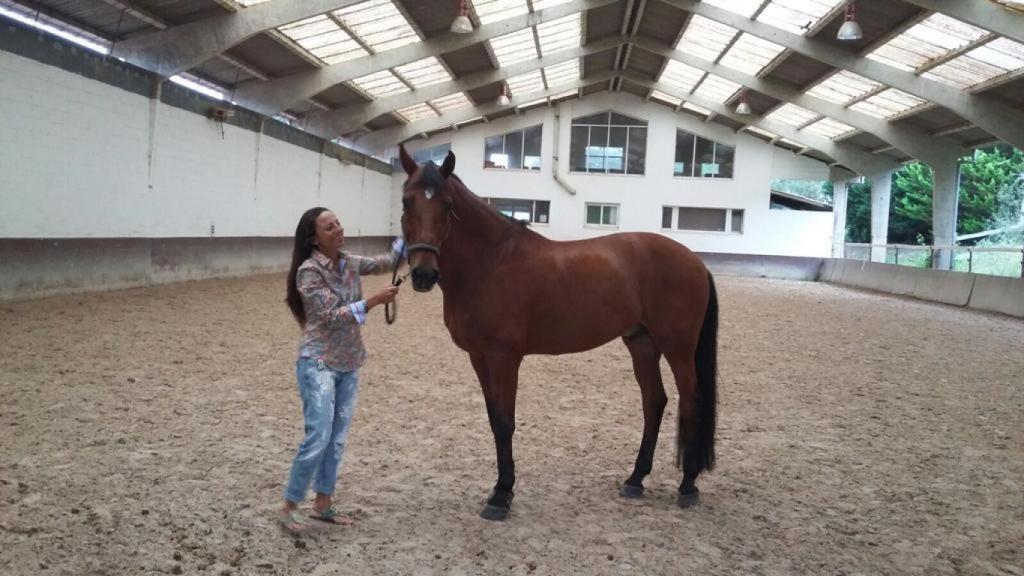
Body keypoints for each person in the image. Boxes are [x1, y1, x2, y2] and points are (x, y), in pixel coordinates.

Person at [280, 206, 403, 534]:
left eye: (338, 223)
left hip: (349, 363)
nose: (338, 229)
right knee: (319, 435)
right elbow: (331, 315)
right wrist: (373, 301)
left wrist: (409, 234)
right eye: (329, 227)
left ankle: (323, 504)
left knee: (336, 440)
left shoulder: (348, 262)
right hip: (318, 363)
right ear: (314, 239)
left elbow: (386, 262)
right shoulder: (308, 272)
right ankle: (290, 505)